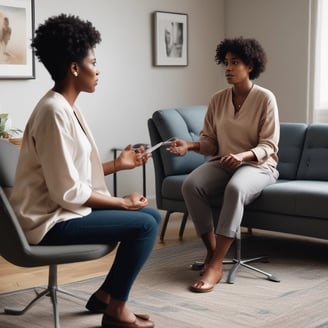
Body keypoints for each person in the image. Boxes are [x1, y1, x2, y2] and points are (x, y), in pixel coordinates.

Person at [10, 14, 161, 328]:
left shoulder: (65, 107)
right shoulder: (54, 112)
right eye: (93, 61)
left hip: (62, 210)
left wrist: (118, 165)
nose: (98, 69)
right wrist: (122, 202)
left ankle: (107, 295)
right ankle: (116, 310)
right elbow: (66, 192)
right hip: (49, 222)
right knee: (145, 225)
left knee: (152, 217)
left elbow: (67, 175)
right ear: (75, 68)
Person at [167, 37, 280, 293]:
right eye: (226, 63)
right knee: (191, 185)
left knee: (236, 189)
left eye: (235, 63)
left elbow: (269, 145)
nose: (228, 68)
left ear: (250, 66)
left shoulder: (265, 99)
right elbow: (209, 142)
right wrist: (190, 145)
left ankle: (216, 265)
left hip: (259, 166)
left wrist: (242, 156)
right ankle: (211, 252)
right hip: (225, 161)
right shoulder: (218, 99)